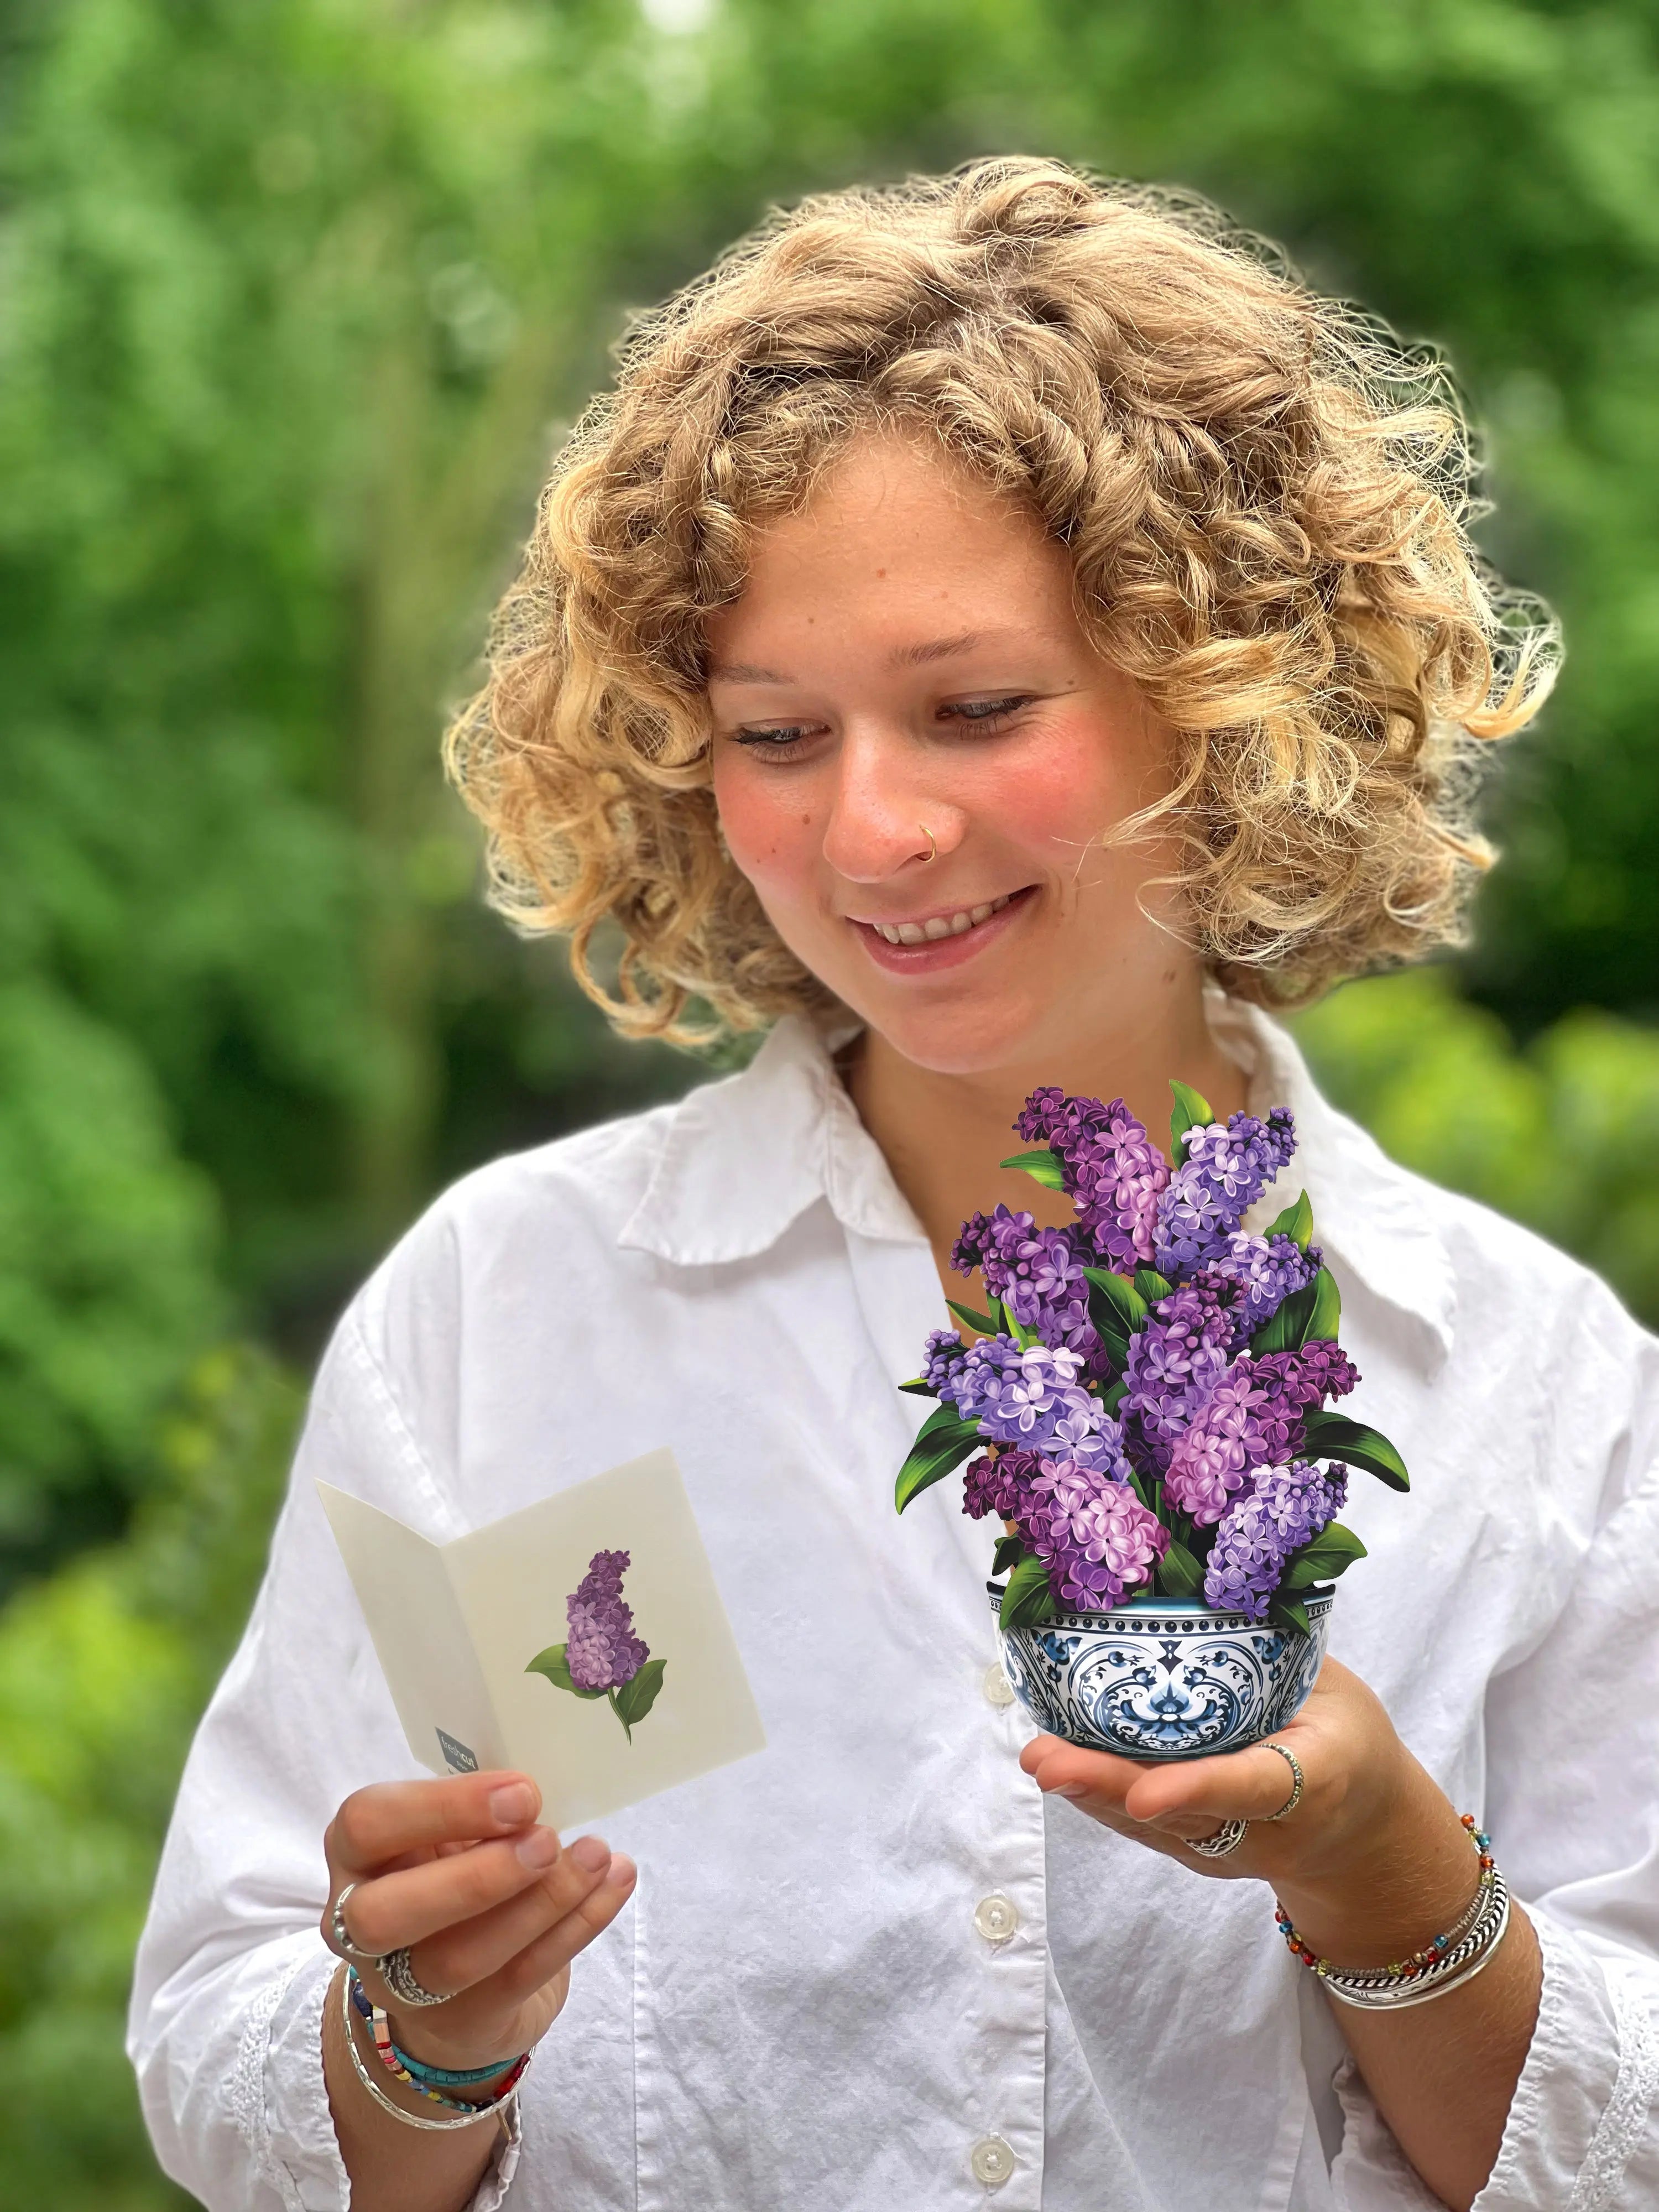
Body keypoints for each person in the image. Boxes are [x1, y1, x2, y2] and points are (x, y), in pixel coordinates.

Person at [129, 158, 1659, 2212]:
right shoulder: (507, 1312)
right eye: (774, 732)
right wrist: (415, 2032)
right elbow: (223, 2057)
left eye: (976, 709)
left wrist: (1391, 1881)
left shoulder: (1532, 1387)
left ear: (1225, 690)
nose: (873, 831)